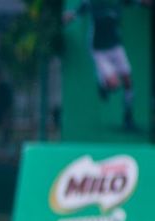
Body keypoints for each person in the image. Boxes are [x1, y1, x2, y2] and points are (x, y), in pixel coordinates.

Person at [64, 0, 150, 130]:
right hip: (99, 50)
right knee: (115, 84)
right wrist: (67, 17)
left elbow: (137, 2)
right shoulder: (91, 3)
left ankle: (128, 117)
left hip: (115, 46)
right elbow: (75, 14)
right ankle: (103, 83)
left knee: (127, 81)